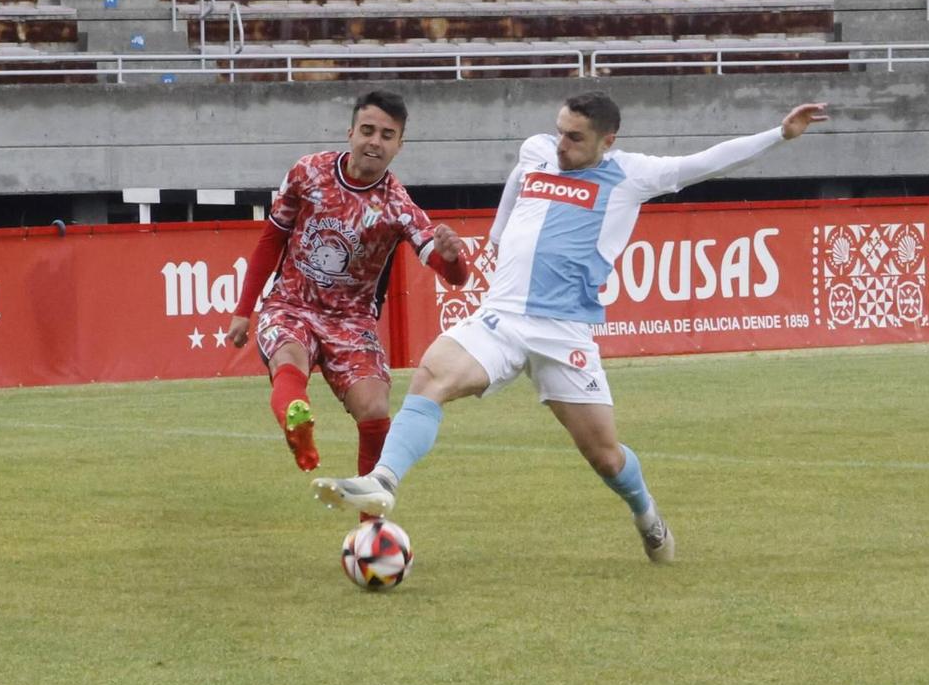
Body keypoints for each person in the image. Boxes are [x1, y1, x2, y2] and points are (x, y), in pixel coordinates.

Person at [313, 91, 830, 563]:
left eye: (575, 137)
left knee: (605, 456)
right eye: (559, 130)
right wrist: (496, 237)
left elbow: (707, 162)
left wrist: (778, 134)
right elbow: (516, 185)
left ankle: (647, 514)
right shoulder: (537, 150)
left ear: (608, 141)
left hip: (564, 333)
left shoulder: (632, 174)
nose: (561, 143)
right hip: (503, 316)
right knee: (430, 376)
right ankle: (383, 479)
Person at [227, 90, 474, 480]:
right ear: (351, 133)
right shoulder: (309, 172)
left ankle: (369, 521)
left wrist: (454, 256)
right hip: (291, 304)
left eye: (387, 135)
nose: (375, 141)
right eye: (368, 130)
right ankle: (298, 424)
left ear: (399, 145)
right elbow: (271, 238)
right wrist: (244, 310)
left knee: (375, 408)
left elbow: (453, 276)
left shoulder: (398, 206)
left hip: (352, 322)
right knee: (289, 359)